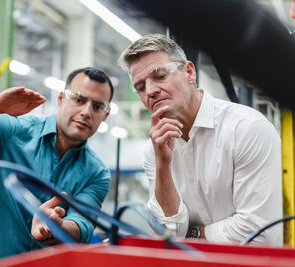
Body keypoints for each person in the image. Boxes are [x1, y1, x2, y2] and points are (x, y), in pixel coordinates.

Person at [118, 34, 282, 245]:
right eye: (140, 87)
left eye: (160, 76)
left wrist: (192, 235)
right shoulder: (155, 150)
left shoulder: (247, 129)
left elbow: (260, 235)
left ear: (189, 72)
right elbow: (165, 235)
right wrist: (163, 165)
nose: (150, 91)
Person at [0, 67, 114, 264]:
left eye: (97, 106)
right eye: (79, 100)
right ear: (61, 99)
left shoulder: (96, 173)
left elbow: (81, 227)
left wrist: (57, 226)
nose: (86, 112)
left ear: (106, 114)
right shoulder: (13, 130)